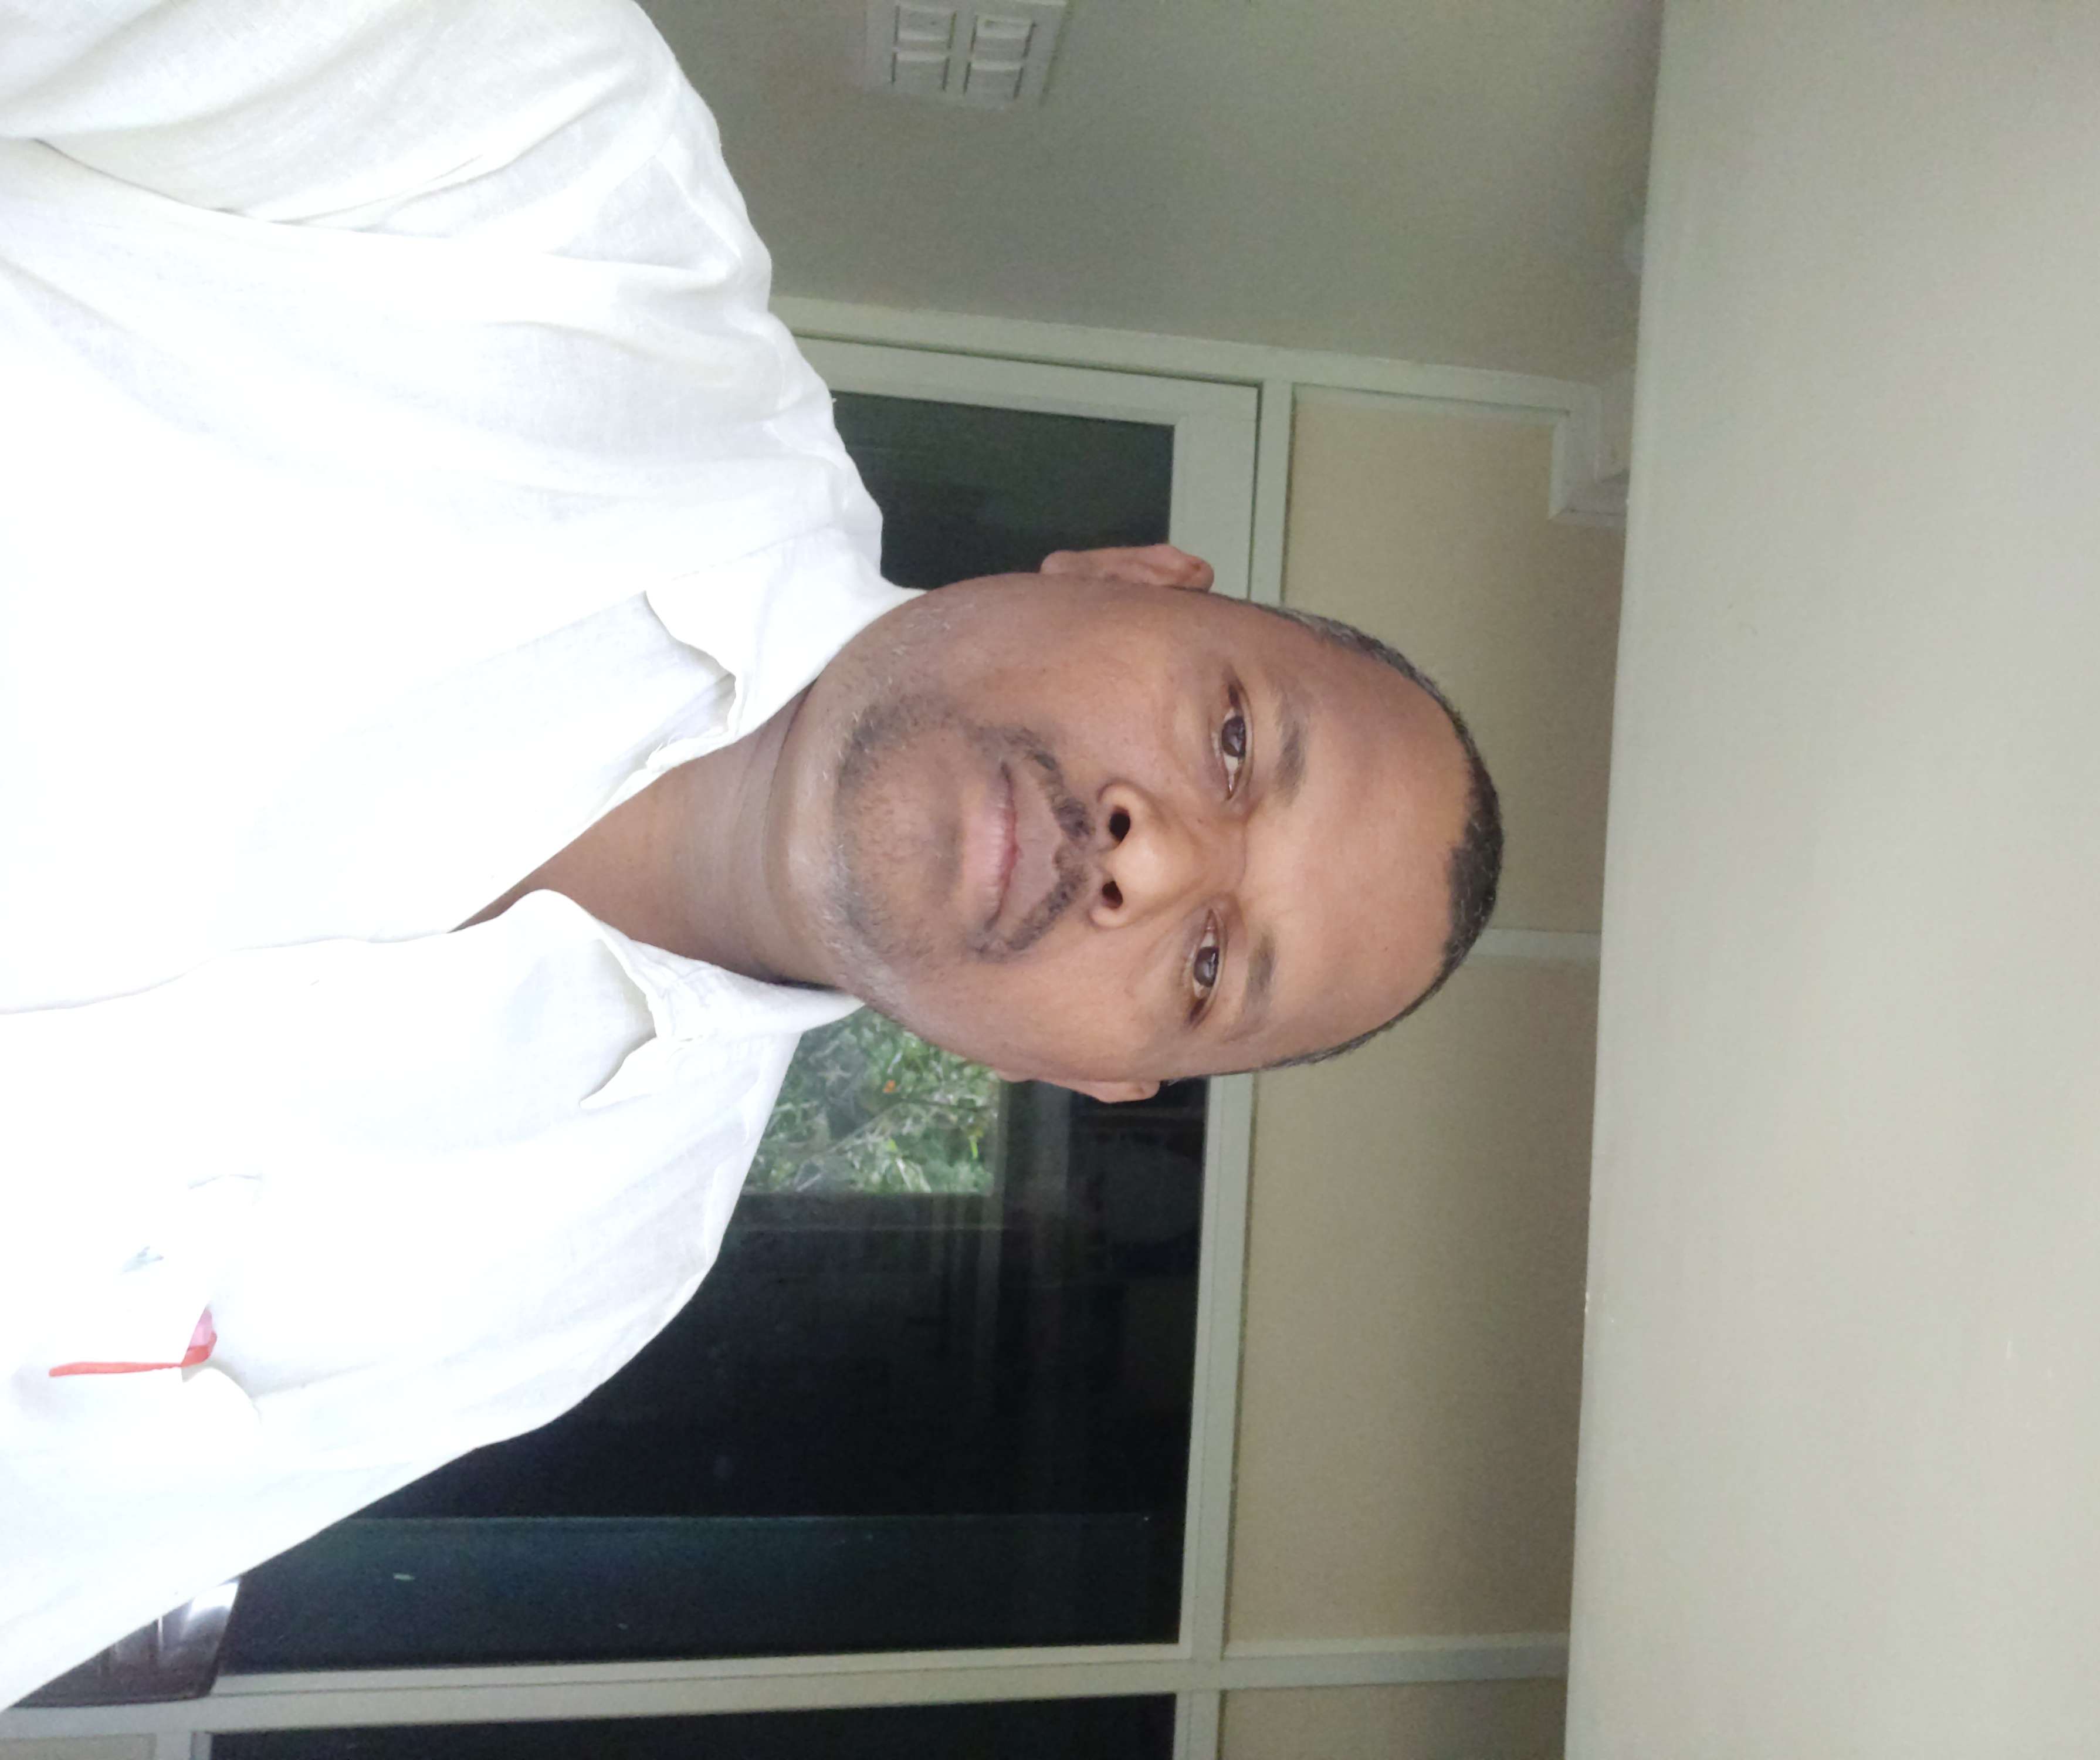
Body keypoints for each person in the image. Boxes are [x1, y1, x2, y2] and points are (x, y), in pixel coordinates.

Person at [0, 0, 1501, 1703]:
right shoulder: (557, 187)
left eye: (1211, 966)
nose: (1146, 868)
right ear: (1128, 577)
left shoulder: (575, 1283)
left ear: (1091, 1075)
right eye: (1232, 741)